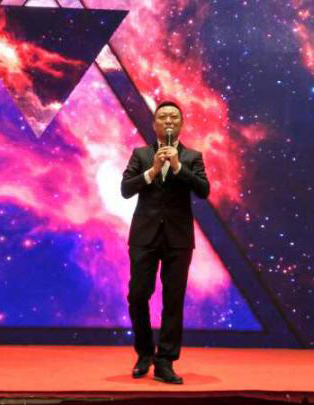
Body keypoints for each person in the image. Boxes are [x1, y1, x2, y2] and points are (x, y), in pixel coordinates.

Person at [120, 100, 210, 384]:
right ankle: (145, 353)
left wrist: (178, 167)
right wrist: (152, 170)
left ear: (181, 123)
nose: (168, 121)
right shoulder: (141, 154)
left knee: (173, 300)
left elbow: (203, 190)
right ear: (154, 123)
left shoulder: (192, 157)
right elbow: (126, 189)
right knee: (138, 295)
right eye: (163, 117)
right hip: (144, 237)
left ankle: (165, 361)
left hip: (178, 239)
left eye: (174, 117)